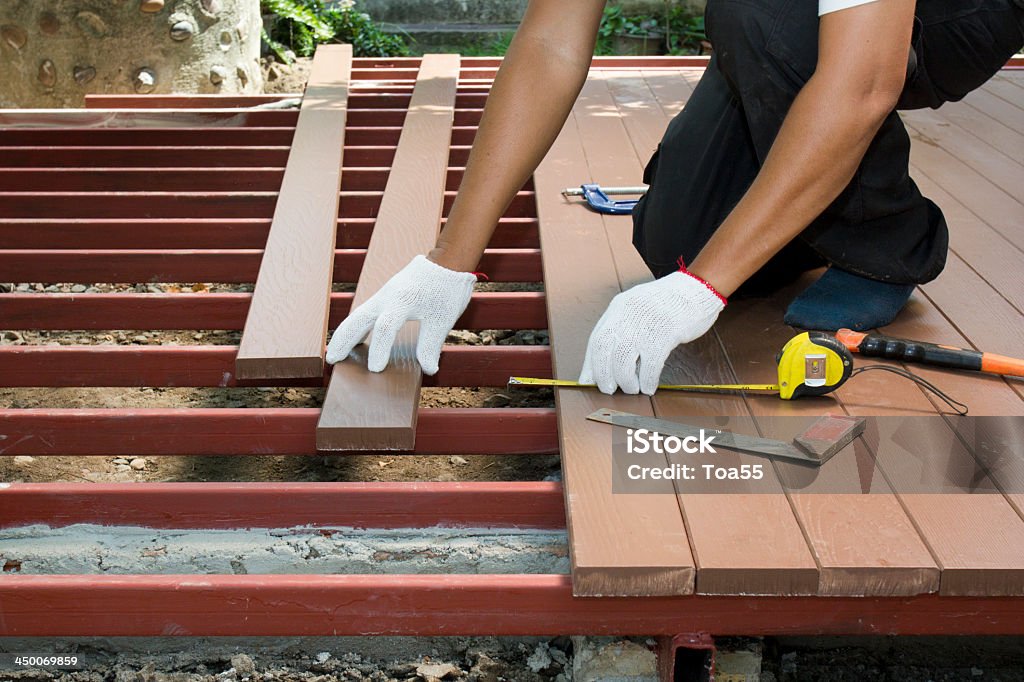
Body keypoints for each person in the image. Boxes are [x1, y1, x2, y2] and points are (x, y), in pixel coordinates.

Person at [326, 0, 1024, 396]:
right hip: (790, 23)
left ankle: (885, 242)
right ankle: (807, 210)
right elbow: (551, 43)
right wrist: (450, 259)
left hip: (948, 14)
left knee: (760, 16)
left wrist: (704, 289)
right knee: (674, 244)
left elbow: (865, 83)